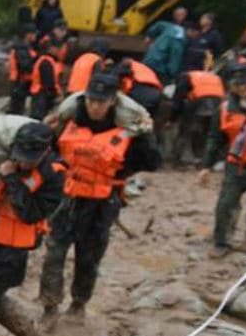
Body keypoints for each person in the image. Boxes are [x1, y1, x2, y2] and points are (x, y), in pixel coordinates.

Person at [40, 73, 162, 321]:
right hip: (67, 198)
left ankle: (78, 304)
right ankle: (49, 306)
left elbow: (152, 162)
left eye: (101, 102)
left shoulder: (128, 129)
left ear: (112, 102)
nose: (95, 106)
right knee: (54, 253)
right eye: (91, 100)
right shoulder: (70, 119)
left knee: (89, 257)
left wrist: (146, 136)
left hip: (101, 203)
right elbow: (49, 149)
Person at [0, 122, 65, 336]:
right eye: (20, 157)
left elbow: (30, 213)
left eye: (30, 159)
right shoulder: (3, 158)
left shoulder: (54, 176)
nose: (24, 163)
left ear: (45, 151)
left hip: (13, 250)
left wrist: (11, 178)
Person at [199, 62, 246, 254]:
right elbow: (215, 138)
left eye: (245, 84)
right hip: (236, 161)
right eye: (236, 85)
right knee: (226, 203)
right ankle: (222, 242)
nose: (241, 89)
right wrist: (206, 166)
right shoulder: (224, 109)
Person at [169, 67, 225, 165]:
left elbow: (178, 99)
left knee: (188, 130)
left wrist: (172, 118)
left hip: (199, 101)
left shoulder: (184, 76)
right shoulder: (213, 76)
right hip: (218, 103)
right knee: (211, 132)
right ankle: (210, 159)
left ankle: (179, 158)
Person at [30, 37, 64, 120]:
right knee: (39, 120)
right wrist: (54, 95)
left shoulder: (44, 59)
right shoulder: (46, 62)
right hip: (41, 96)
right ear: (51, 48)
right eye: (58, 48)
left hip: (39, 95)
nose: (59, 51)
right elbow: (48, 83)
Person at [8, 23, 38, 115]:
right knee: (17, 110)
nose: (36, 36)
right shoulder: (21, 48)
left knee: (17, 108)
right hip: (20, 82)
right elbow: (25, 66)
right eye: (34, 33)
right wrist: (37, 64)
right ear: (28, 34)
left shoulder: (24, 47)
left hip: (21, 82)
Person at [143, 20, 186, 84]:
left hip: (148, 60)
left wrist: (149, 35)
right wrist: (172, 75)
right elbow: (174, 59)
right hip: (158, 68)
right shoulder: (179, 39)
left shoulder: (172, 27)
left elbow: (159, 24)